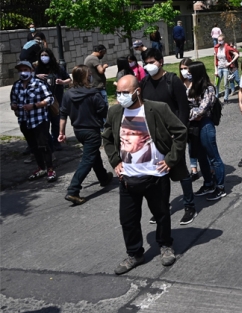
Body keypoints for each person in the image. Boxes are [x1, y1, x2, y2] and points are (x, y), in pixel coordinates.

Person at [102, 75, 186, 275]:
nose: (120, 97)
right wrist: (115, 161)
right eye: (118, 93)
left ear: (137, 91)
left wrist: (171, 160)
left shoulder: (157, 109)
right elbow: (107, 138)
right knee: (128, 219)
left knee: (162, 214)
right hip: (128, 179)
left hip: (155, 175)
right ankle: (134, 253)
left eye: (124, 92)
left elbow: (180, 132)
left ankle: (165, 245)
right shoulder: (115, 112)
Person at [139, 48, 196, 225]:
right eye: (146, 63)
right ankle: (161, 209)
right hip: (152, 138)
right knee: (158, 174)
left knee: (181, 172)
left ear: (161, 62)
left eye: (152, 62)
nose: (149, 66)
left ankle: (189, 206)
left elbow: (183, 109)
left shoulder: (172, 81)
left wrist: (180, 133)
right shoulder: (144, 83)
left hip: (173, 135)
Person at [59, 65, 113, 205]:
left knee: (93, 155)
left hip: (78, 131)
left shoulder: (68, 94)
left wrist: (61, 133)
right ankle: (73, 190)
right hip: (91, 131)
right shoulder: (93, 93)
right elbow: (103, 110)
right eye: (89, 74)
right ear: (85, 77)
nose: (90, 76)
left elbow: (63, 114)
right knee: (88, 159)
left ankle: (103, 177)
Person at [188, 62, 228, 201]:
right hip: (194, 126)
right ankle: (208, 183)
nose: (187, 74)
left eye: (189, 72)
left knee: (213, 157)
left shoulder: (208, 88)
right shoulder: (192, 87)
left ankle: (220, 187)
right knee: (201, 157)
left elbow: (202, 110)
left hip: (205, 125)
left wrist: (190, 113)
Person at [11, 61, 56, 182]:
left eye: (25, 69)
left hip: (39, 119)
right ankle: (41, 167)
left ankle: (50, 169)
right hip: (24, 120)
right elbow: (13, 100)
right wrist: (14, 106)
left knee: (43, 145)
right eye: (20, 70)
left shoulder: (39, 84)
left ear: (31, 70)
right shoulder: (16, 85)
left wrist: (35, 105)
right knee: (33, 146)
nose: (22, 72)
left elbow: (50, 99)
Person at [35, 48, 71, 148]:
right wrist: (37, 76)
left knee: (56, 121)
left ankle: (56, 141)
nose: (44, 58)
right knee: (44, 123)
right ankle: (46, 141)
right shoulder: (37, 69)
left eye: (46, 55)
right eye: (42, 56)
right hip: (42, 100)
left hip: (56, 99)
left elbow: (68, 79)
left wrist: (62, 82)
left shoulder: (58, 69)